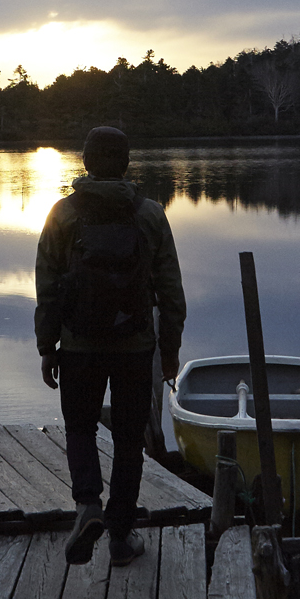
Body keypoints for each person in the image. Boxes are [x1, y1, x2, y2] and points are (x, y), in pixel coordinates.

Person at [35, 127, 186, 566]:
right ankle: (121, 538)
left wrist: (47, 346)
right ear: (125, 163)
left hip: (78, 346)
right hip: (135, 347)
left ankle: (87, 505)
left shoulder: (61, 214)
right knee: (127, 440)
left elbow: (47, 286)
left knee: (80, 426)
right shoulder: (151, 214)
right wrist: (170, 351)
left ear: (85, 163)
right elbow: (171, 291)